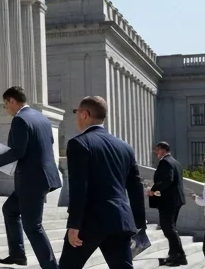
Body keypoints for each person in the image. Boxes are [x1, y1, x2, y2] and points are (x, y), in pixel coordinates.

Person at [60, 96, 146, 269]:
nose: (76, 116)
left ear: (85, 114)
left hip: (90, 222)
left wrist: (74, 224)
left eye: (77, 112)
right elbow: (136, 187)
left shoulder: (79, 144)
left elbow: (79, 187)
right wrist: (139, 225)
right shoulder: (125, 146)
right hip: (120, 221)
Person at [0, 85, 63, 269]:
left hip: (32, 181)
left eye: (5, 105)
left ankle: (51, 267)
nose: (5, 109)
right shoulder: (41, 118)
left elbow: (18, 151)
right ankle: (17, 255)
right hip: (38, 178)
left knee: (33, 226)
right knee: (10, 210)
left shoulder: (20, 120)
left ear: (12, 101)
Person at [151, 142, 188, 266]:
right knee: (170, 227)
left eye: (157, 150)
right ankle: (175, 254)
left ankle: (179, 256)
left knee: (168, 228)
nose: (156, 152)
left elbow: (168, 180)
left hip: (169, 201)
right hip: (175, 200)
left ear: (162, 150)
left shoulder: (166, 162)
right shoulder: (175, 162)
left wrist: (153, 190)